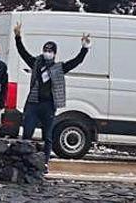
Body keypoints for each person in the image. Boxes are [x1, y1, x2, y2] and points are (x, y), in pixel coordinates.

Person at [14, 22, 91, 170]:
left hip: (49, 105)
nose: (47, 52)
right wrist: (18, 37)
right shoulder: (35, 63)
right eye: (45, 50)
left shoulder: (59, 68)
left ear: (54, 53)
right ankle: (23, 161)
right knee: (27, 134)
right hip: (33, 103)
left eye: (50, 50)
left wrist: (84, 48)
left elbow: (76, 62)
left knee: (47, 136)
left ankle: (44, 162)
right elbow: (22, 52)